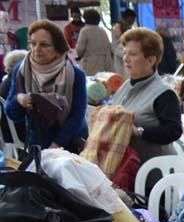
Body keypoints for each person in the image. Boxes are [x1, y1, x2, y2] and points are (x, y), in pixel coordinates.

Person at [4, 20, 88, 152]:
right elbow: (12, 113)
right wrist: (19, 99)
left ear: (57, 48)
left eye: (44, 45)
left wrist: (56, 145)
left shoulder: (75, 74)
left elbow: (77, 117)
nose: (37, 49)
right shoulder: (21, 70)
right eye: (33, 43)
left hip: (71, 146)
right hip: (36, 145)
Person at [112, 28, 183, 164]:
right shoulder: (125, 86)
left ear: (151, 60)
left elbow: (173, 131)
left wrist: (139, 132)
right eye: (125, 52)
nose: (126, 59)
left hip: (152, 175)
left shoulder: (164, 93)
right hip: (125, 169)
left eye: (133, 54)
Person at [73, 9, 113, 76]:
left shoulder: (84, 31)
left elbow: (80, 50)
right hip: (103, 63)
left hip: (89, 64)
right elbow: (108, 47)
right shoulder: (102, 31)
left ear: (86, 19)